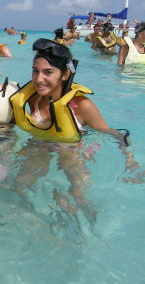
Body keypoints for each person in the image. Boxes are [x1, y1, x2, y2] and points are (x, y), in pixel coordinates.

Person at [9, 38, 139, 224]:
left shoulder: (81, 105)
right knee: (20, 187)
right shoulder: (30, 98)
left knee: (77, 197)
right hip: (37, 147)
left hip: (70, 151)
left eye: (48, 72)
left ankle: (87, 236)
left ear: (65, 74)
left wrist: (130, 160)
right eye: (35, 71)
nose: (39, 79)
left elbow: (113, 133)